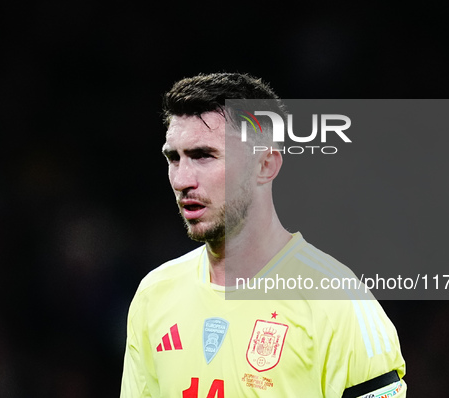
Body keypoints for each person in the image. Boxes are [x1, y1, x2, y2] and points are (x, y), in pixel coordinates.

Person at [120, 72, 407, 397]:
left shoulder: (339, 302)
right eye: (174, 158)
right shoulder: (154, 295)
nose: (182, 179)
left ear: (265, 165)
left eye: (203, 156)